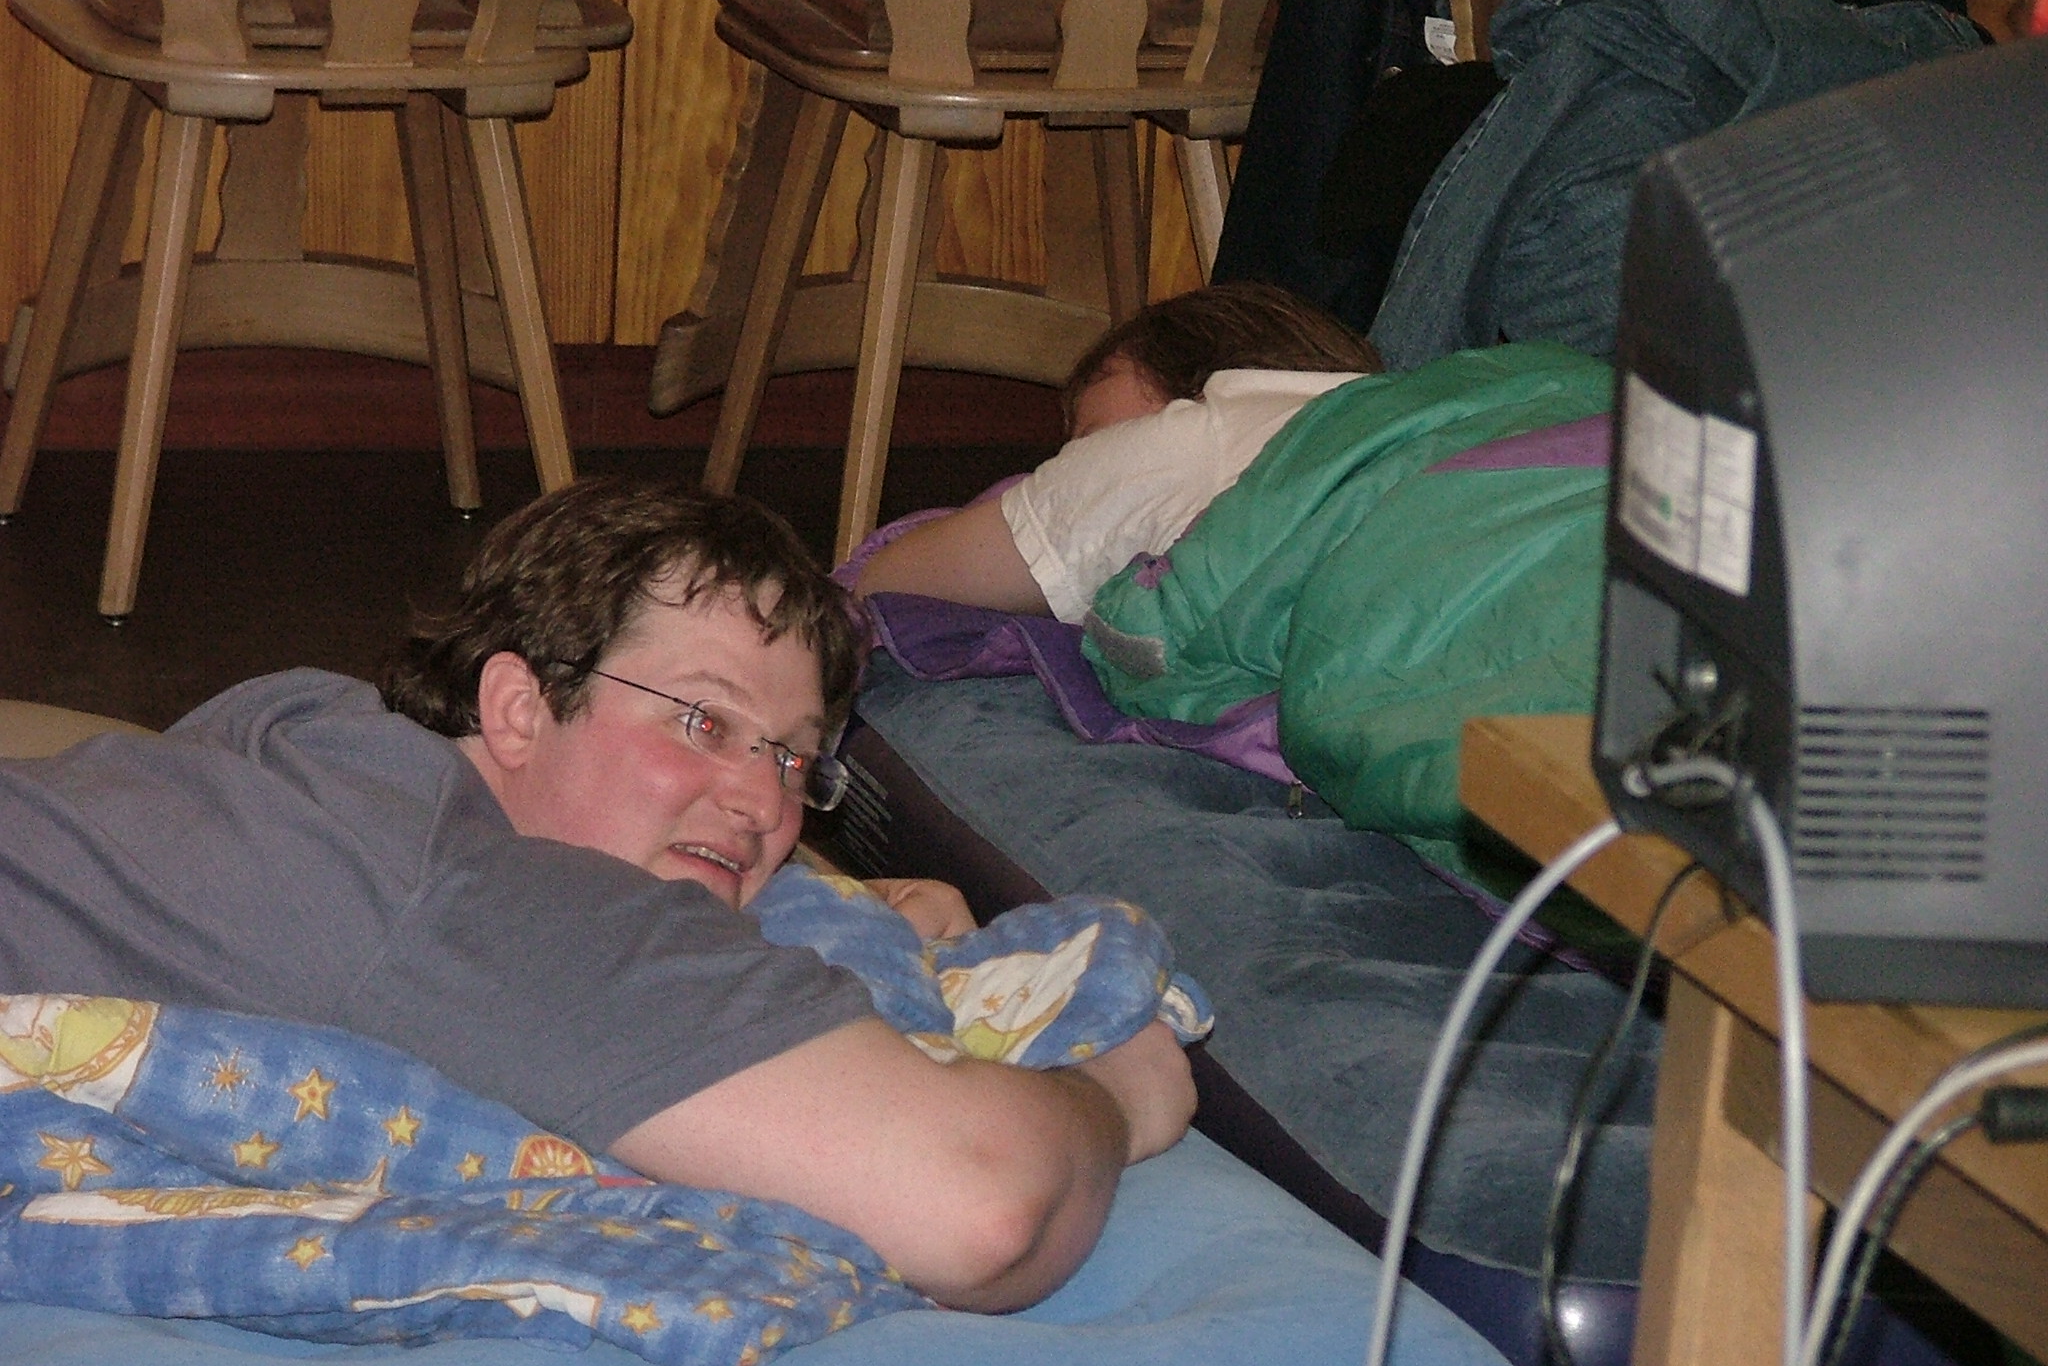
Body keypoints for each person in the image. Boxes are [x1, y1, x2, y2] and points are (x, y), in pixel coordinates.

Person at [0, 477, 1196, 1316]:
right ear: (517, 707)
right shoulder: (483, 900)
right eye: (702, 720)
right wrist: (1117, 1086)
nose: (761, 800)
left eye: (793, 758)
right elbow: (980, 1206)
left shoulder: (315, 731)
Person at [854, 281, 1382, 621]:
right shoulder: (1385, 409)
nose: (1076, 457)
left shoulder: (1187, 441)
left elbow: (882, 583)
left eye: (1088, 437)